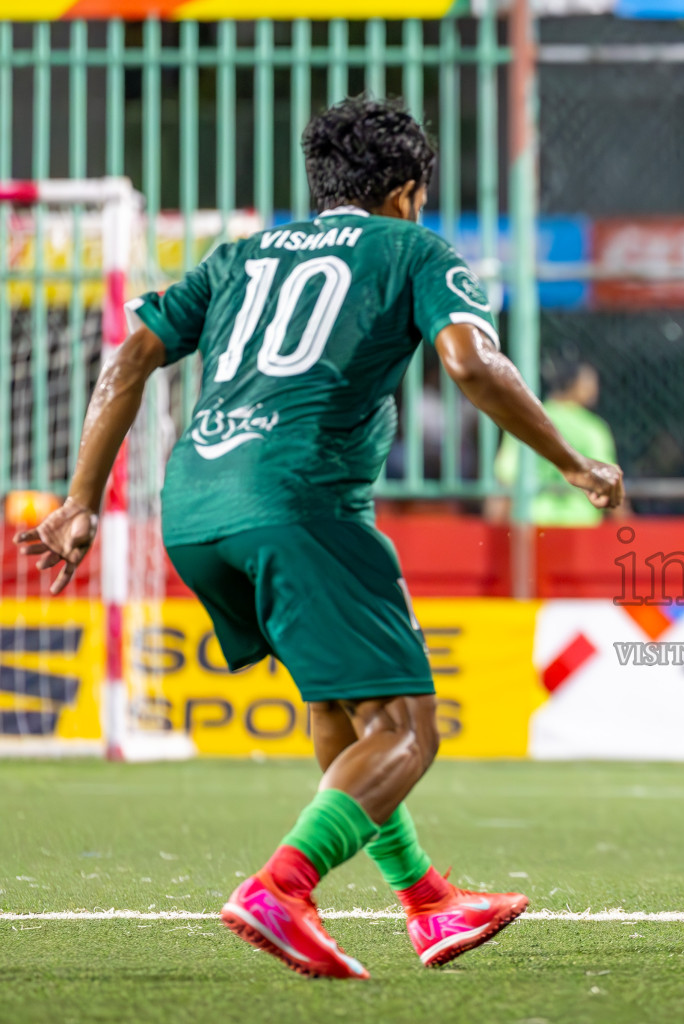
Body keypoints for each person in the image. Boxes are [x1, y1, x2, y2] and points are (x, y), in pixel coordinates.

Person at [12, 97, 623, 979]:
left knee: (343, 710)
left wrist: (78, 501)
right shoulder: (413, 249)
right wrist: (570, 461)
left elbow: (130, 356)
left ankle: (427, 904)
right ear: (409, 189)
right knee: (410, 729)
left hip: (191, 509)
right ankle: (281, 887)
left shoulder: (239, 256)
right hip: (301, 504)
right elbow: (469, 363)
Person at [491, 347, 620, 526]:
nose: (595, 388)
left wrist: (493, 529)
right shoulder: (593, 429)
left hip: (532, 524)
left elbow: (506, 479)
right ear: (576, 383)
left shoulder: (525, 421)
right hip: (580, 527)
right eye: (591, 381)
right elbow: (608, 481)